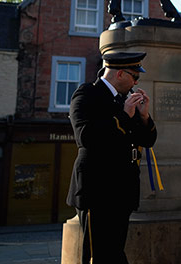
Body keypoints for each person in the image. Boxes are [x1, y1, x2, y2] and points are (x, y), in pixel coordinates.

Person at [66, 51, 157, 264]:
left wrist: (143, 117)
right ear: (120, 74)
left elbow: (148, 140)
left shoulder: (124, 100)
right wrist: (124, 115)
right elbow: (86, 136)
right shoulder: (87, 94)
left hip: (122, 190)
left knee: (114, 252)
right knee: (98, 255)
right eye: (135, 77)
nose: (136, 82)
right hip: (97, 189)